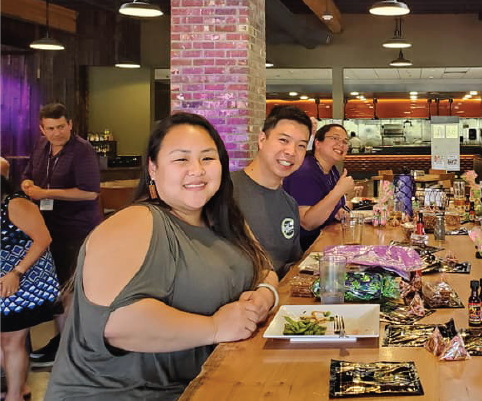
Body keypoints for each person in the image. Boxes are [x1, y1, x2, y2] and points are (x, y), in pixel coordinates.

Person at [45, 113, 280, 401]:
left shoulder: (224, 218)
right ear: (153, 169)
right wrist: (215, 327)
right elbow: (119, 325)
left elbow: (265, 268)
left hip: (208, 382)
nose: (197, 170)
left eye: (208, 158)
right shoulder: (135, 222)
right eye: (181, 160)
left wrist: (264, 296)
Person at [21, 103, 101, 367]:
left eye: (60, 127)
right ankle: (62, 342)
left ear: (70, 125)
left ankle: (72, 348)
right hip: (46, 227)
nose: (56, 133)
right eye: (50, 129)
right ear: (42, 129)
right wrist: (28, 185)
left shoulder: (82, 150)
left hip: (75, 228)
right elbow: (27, 175)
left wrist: (46, 194)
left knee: (70, 288)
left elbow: (90, 192)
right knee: (56, 290)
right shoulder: (41, 147)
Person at [0, 157, 59, 401]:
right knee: (6, 339)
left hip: (27, 280)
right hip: (5, 280)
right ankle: (19, 386)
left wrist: (17, 272)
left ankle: (15, 394)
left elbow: (43, 239)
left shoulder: (15, 204)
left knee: (11, 339)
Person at [232, 106, 311, 279]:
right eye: (283, 140)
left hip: (275, 300)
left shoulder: (289, 204)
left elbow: (290, 265)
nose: (291, 151)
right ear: (262, 139)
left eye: (301, 146)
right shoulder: (225, 191)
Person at [283, 123, 354, 250]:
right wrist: (339, 191)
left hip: (324, 240)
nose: (341, 144)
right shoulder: (304, 172)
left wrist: (337, 212)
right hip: (302, 249)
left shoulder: (331, 170)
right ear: (317, 143)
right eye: (335, 138)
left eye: (345, 141)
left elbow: (326, 206)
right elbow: (307, 223)